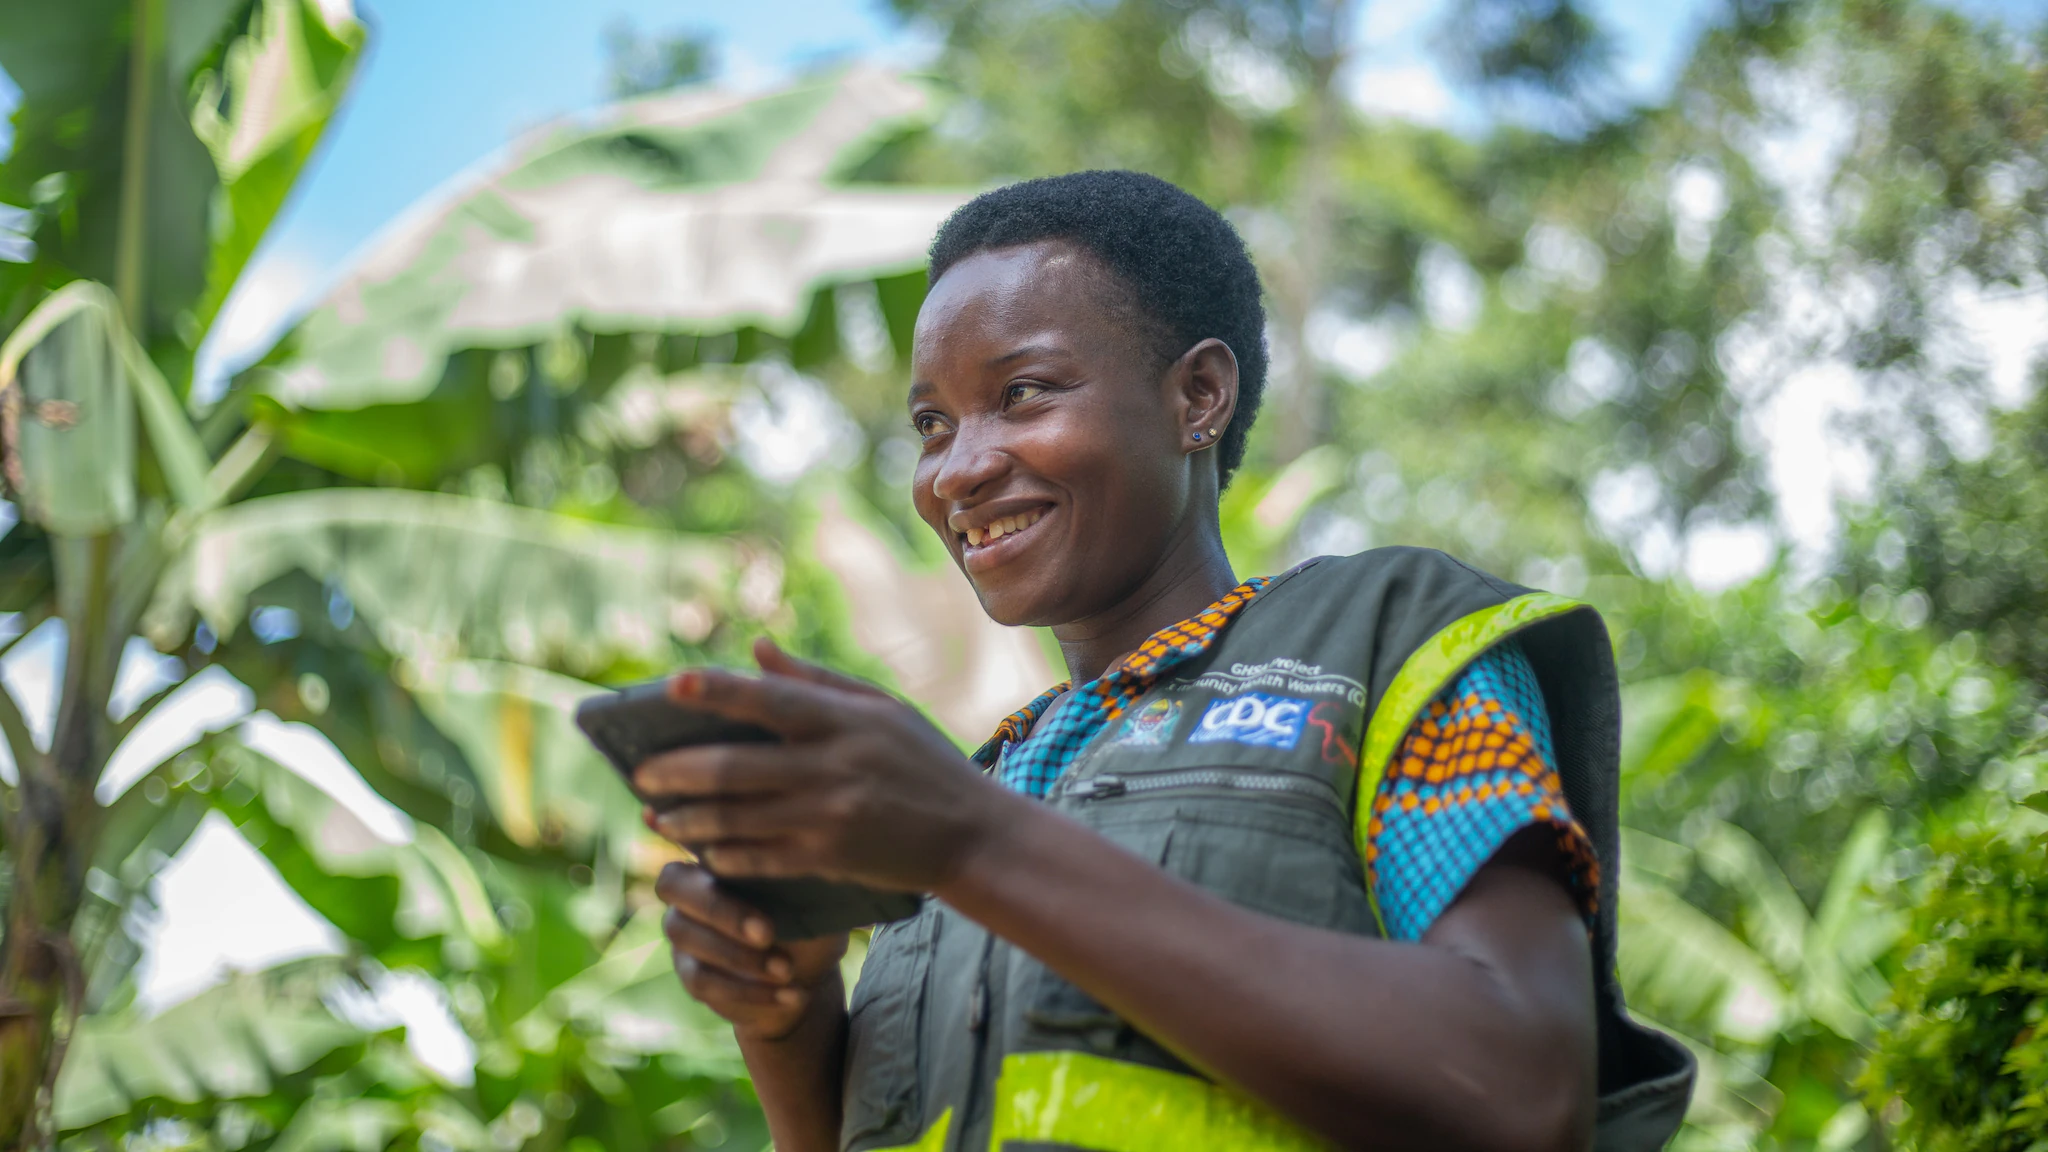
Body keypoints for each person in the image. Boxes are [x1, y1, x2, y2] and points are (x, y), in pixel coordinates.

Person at [632, 170, 1694, 1152]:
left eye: (1023, 393)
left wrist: (970, 843)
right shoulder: (975, 784)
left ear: (1197, 398)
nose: (957, 468)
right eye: (930, 421)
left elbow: (1516, 1089)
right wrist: (786, 1018)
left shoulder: (1386, 644)